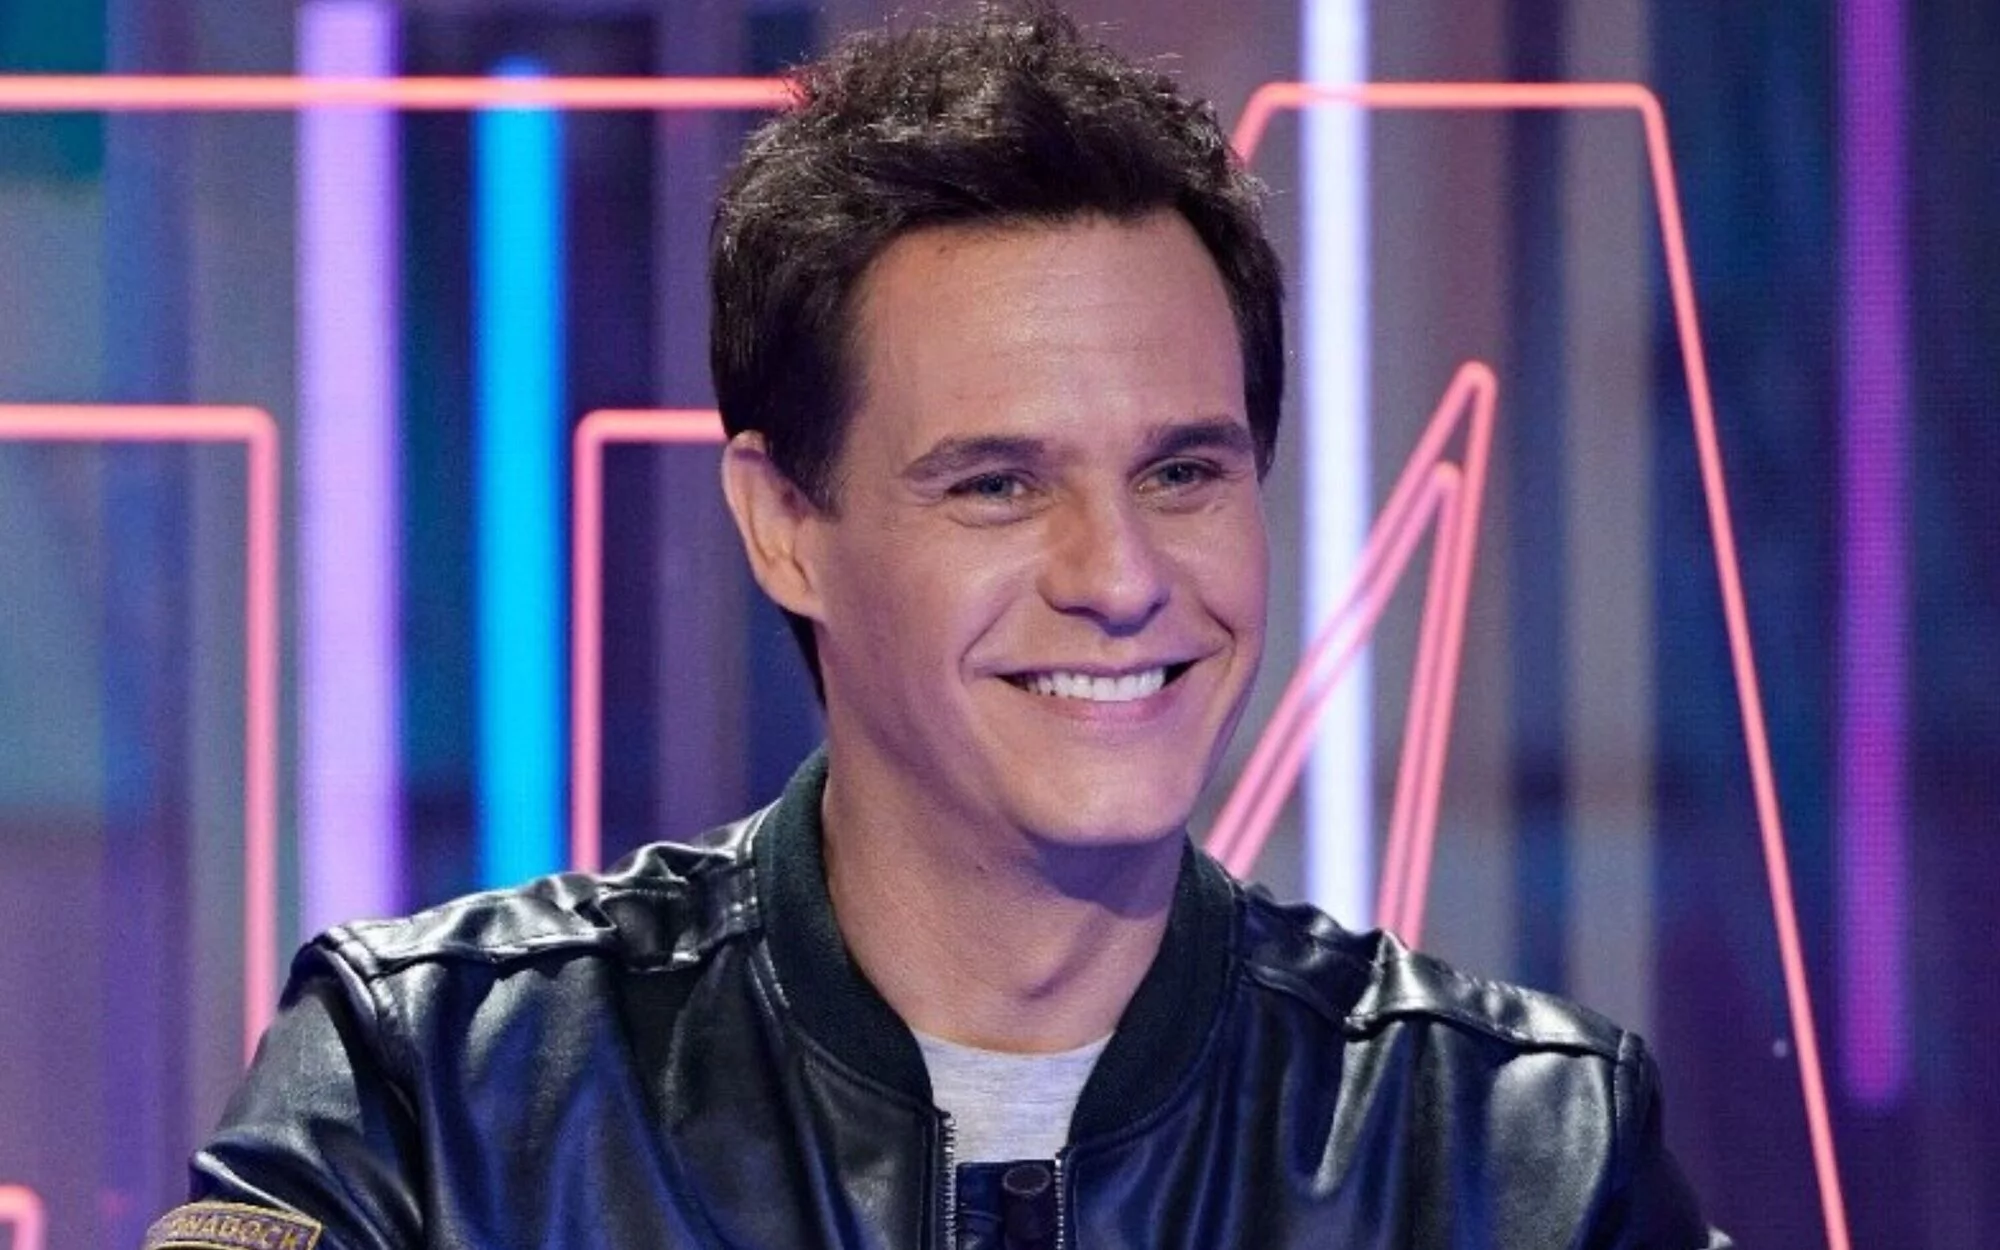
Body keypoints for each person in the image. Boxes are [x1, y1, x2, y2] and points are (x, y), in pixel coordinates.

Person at [151, 6, 1729, 1248]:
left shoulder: (1520, 1154)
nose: (1119, 573)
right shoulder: (434, 1095)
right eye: (997, 484)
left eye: (1182, 471)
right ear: (786, 524)